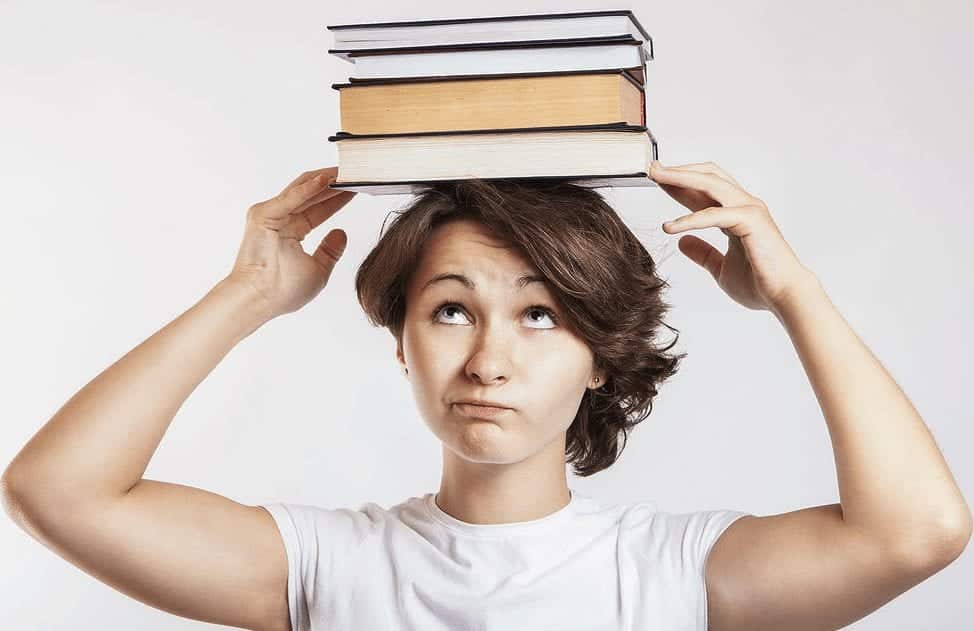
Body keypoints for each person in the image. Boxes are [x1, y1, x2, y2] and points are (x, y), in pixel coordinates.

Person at [2, 162, 970, 631]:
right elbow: (57, 491)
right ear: (402, 345)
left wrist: (793, 294)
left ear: (601, 356)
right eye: (452, 310)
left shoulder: (670, 572)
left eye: (541, 316)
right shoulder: (331, 565)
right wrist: (247, 294)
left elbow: (916, 531)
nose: (489, 360)